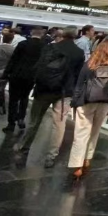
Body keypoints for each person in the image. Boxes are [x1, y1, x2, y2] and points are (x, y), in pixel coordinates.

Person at [17, 27, 85, 167]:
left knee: (35, 120)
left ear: (62, 35)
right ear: (75, 36)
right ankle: (51, 155)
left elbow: (39, 66)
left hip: (44, 89)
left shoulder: (51, 47)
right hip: (64, 93)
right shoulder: (79, 52)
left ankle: (24, 146)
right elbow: (78, 75)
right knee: (59, 124)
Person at [68, 40, 108, 179]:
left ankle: (77, 166)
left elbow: (79, 85)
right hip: (104, 103)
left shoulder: (89, 64)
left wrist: (74, 102)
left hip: (86, 101)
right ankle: (87, 159)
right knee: (95, 132)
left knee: (81, 133)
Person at [2, 28, 45, 133]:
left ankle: (11, 124)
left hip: (17, 75)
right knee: (24, 97)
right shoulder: (44, 46)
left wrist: (5, 74)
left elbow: (13, 60)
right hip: (31, 77)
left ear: (31, 33)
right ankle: (21, 118)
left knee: (13, 99)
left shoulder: (23, 44)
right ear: (42, 35)